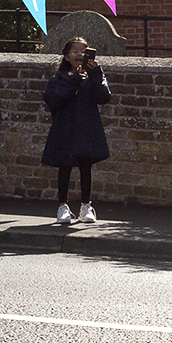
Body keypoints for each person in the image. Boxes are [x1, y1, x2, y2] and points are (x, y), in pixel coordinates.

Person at [42, 37, 111, 225]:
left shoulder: (93, 77)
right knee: (64, 167)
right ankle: (62, 206)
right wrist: (73, 82)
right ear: (66, 56)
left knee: (85, 167)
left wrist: (96, 73)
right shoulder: (59, 79)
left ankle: (86, 205)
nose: (79, 54)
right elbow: (52, 98)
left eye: (83, 51)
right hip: (65, 128)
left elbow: (104, 96)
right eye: (74, 51)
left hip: (86, 128)